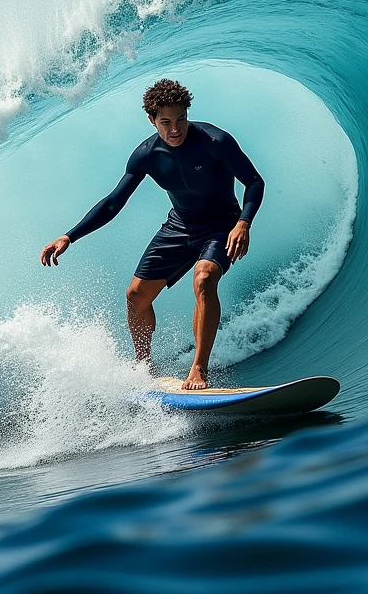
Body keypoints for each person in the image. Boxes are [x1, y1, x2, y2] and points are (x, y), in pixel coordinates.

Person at [41, 78, 264, 389]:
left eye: (181, 119)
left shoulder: (216, 141)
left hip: (221, 225)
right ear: (152, 120)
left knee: (203, 278)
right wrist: (70, 236)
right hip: (180, 226)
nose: (175, 129)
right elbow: (112, 203)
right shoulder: (147, 155)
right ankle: (144, 367)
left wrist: (243, 222)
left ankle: (199, 368)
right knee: (135, 296)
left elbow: (254, 182)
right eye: (166, 122)